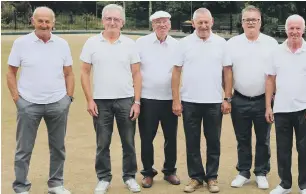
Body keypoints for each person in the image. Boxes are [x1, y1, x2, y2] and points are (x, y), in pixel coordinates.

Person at [7, 6, 74, 194]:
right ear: (33, 21)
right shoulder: (21, 43)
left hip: (57, 103)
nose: (44, 25)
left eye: (47, 21)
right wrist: (17, 99)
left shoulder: (62, 44)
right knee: (24, 150)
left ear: (53, 23)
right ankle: (20, 187)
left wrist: (68, 98)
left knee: (58, 148)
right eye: (40, 21)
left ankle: (56, 184)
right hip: (28, 104)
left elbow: (69, 73)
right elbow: (11, 73)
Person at [80, 4, 142, 194]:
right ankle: (103, 178)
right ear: (103, 21)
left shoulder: (130, 44)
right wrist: (90, 100)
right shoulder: (91, 43)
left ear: (122, 22)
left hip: (126, 100)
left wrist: (137, 102)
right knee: (102, 143)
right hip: (101, 101)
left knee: (128, 142)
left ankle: (130, 176)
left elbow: (137, 74)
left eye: (116, 19)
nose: (112, 22)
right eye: (109, 18)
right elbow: (84, 72)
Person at [171, 7, 232, 193]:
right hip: (190, 102)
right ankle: (196, 177)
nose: (203, 26)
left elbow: (227, 72)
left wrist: (227, 98)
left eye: (207, 22)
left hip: (214, 102)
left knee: (213, 141)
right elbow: (176, 72)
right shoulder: (184, 43)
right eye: (200, 22)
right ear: (193, 23)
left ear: (212, 22)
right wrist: (176, 100)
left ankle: (212, 177)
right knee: (192, 141)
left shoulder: (222, 43)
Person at [266, 14, 306, 194]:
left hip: (304, 110)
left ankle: (304, 185)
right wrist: (268, 106)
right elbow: (270, 80)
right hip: (281, 109)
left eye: (298, 28)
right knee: (283, 149)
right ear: (286, 29)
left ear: (303, 30)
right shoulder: (276, 51)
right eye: (291, 28)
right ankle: (285, 184)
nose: (294, 32)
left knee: (303, 148)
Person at [225, 5, 278, 190]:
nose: (250, 23)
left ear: (260, 22)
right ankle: (244, 172)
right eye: (247, 20)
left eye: (254, 20)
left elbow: (275, 73)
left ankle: (261, 172)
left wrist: (273, 99)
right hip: (239, 98)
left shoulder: (271, 43)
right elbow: (227, 71)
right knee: (242, 138)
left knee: (263, 139)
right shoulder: (232, 43)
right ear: (242, 22)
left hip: (264, 99)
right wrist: (228, 97)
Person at [135, 10, 180, 188]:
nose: (162, 25)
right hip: (147, 98)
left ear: (170, 24)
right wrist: (136, 99)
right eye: (158, 22)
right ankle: (147, 172)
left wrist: (178, 99)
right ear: (152, 25)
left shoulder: (178, 44)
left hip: (170, 99)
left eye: (165, 22)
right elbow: (136, 71)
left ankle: (170, 171)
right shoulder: (141, 43)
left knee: (171, 138)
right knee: (147, 138)